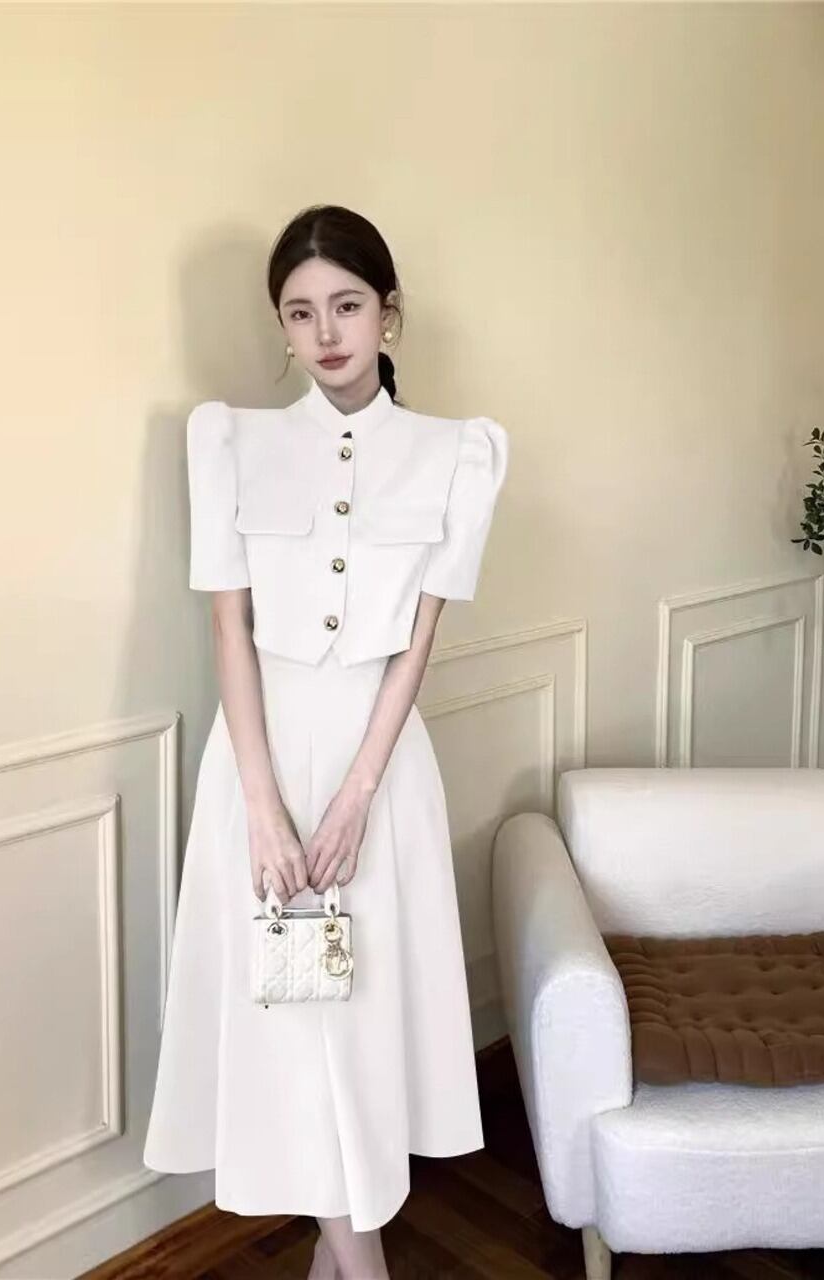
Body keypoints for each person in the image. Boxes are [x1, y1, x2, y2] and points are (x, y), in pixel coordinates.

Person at [142, 204, 510, 1280]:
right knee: (289, 1026)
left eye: (346, 305)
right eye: (300, 313)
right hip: (258, 764)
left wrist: (355, 798)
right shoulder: (231, 443)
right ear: (282, 327)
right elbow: (228, 629)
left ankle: (340, 1261)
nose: (326, 332)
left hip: (376, 770)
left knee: (353, 1022)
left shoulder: (457, 455)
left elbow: (418, 642)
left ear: (388, 313)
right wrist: (263, 810)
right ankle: (357, 1263)